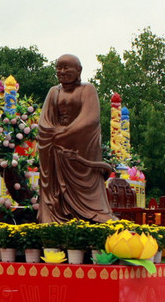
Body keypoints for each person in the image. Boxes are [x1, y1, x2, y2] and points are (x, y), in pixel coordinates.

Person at [37, 55, 114, 223]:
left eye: (66, 68)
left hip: (79, 147)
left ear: (79, 70)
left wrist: (67, 133)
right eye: (59, 68)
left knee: (87, 186)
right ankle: (55, 217)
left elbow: (90, 119)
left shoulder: (87, 89)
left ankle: (92, 214)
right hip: (56, 148)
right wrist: (53, 134)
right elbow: (44, 121)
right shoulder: (53, 92)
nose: (62, 71)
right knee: (55, 187)